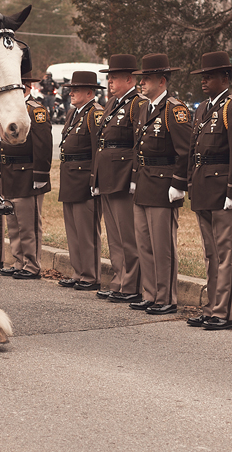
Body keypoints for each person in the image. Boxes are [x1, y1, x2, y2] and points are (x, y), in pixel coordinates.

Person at [186, 51, 232, 331]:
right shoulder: (203, 108)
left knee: (226, 251)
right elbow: (194, 149)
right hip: (204, 185)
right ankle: (212, 305)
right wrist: (191, 181)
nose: (204, 81)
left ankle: (224, 311)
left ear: (225, 78)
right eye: (203, 76)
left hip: (224, 187)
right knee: (211, 252)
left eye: (210, 76)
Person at [130, 54, 192, 315]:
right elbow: (139, 147)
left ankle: (166, 296)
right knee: (144, 242)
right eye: (141, 78)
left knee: (162, 244)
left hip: (164, 185)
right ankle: (150, 293)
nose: (142, 83)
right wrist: (134, 179)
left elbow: (185, 150)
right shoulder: (145, 107)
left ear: (162, 81)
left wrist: (178, 183)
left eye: (147, 79)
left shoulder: (174, 109)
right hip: (145, 182)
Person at [91, 54, 145, 302]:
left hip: (123, 175)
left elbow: (138, 143)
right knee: (114, 234)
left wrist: (134, 175)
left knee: (127, 234)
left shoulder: (137, 104)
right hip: (108, 175)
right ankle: (118, 279)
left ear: (129, 78)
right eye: (109, 77)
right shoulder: (112, 104)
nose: (110, 82)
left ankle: (131, 284)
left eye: (114, 77)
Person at [0, 68, 53, 279]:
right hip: (10, 172)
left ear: (26, 87)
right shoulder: (10, 110)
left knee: (29, 224)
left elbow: (43, 144)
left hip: (28, 173)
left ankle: (32, 264)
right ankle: (19, 260)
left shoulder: (35, 110)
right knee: (13, 222)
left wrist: (41, 175)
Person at [56, 71, 105, 291]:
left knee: (87, 231)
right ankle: (78, 272)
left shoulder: (95, 113)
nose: (71, 93)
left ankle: (91, 275)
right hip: (70, 177)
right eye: (70, 89)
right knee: (73, 228)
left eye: (76, 89)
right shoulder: (73, 113)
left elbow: (98, 150)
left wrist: (95, 180)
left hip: (85, 177)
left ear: (89, 92)